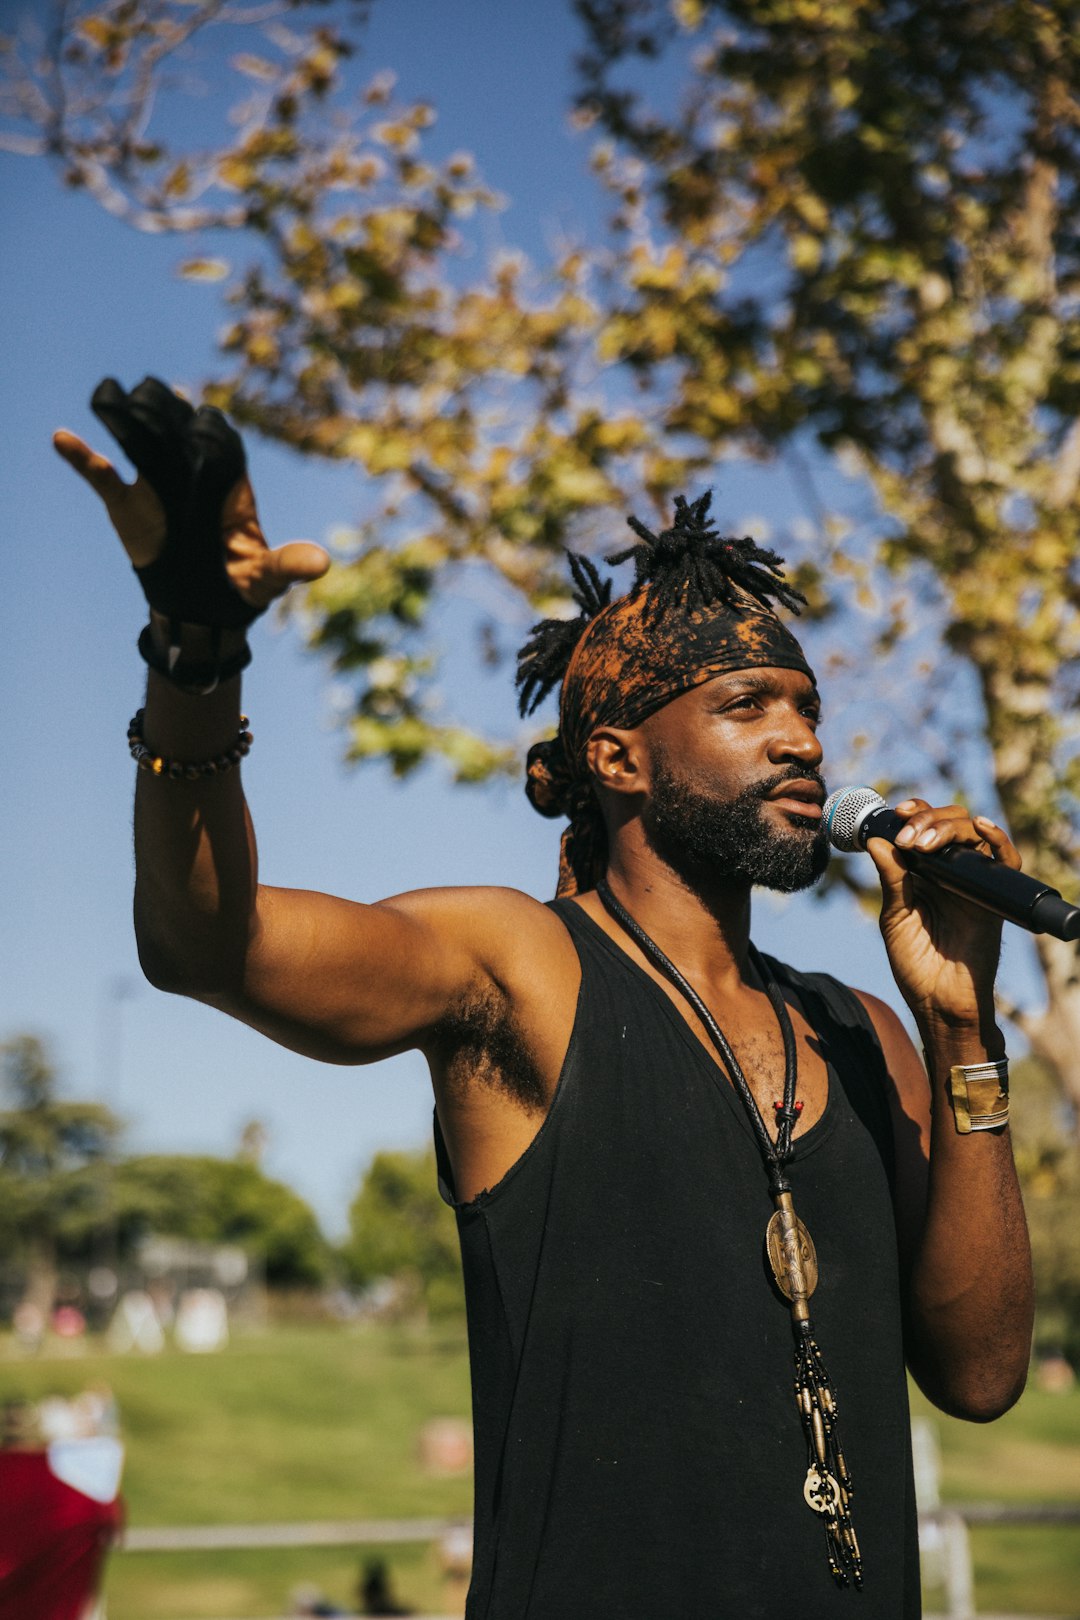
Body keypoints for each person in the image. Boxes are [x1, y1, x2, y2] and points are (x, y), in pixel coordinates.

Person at [55, 378, 1034, 1619]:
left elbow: (987, 1371)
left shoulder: (864, 1029)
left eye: (809, 713)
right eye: (747, 707)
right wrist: (196, 651)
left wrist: (963, 1026)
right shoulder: (521, 966)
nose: (802, 742)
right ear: (619, 758)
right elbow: (207, 942)